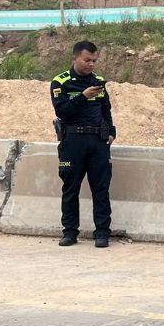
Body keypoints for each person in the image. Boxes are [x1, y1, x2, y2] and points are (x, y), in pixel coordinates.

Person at [51, 40, 115, 249]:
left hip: (97, 141)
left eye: (94, 61)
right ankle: (69, 232)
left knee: (101, 188)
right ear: (75, 58)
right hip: (73, 141)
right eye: (87, 60)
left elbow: (106, 109)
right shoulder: (60, 82)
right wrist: (83, 96)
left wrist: (111, 132)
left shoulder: (99, 81)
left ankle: (102, 233)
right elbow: (62, 111)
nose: (91, 64)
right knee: (70, 188)